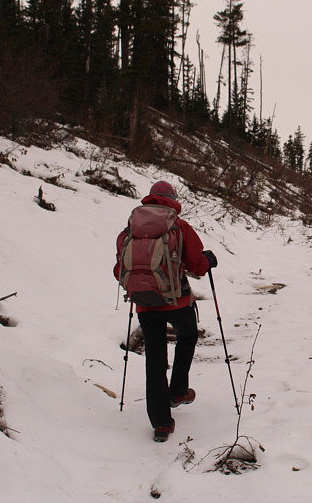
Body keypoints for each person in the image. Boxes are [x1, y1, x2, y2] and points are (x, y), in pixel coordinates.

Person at [113, 181, 218, 442]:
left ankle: (161, 424)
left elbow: (119, 270)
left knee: (155, 359)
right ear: (172, 198)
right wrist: (209, 261)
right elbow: (197, 264)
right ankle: (178, 391)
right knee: (188, 336)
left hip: (145, 304)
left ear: (150, 198)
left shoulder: (130, 228)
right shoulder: (178, 225)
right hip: (177, 301)